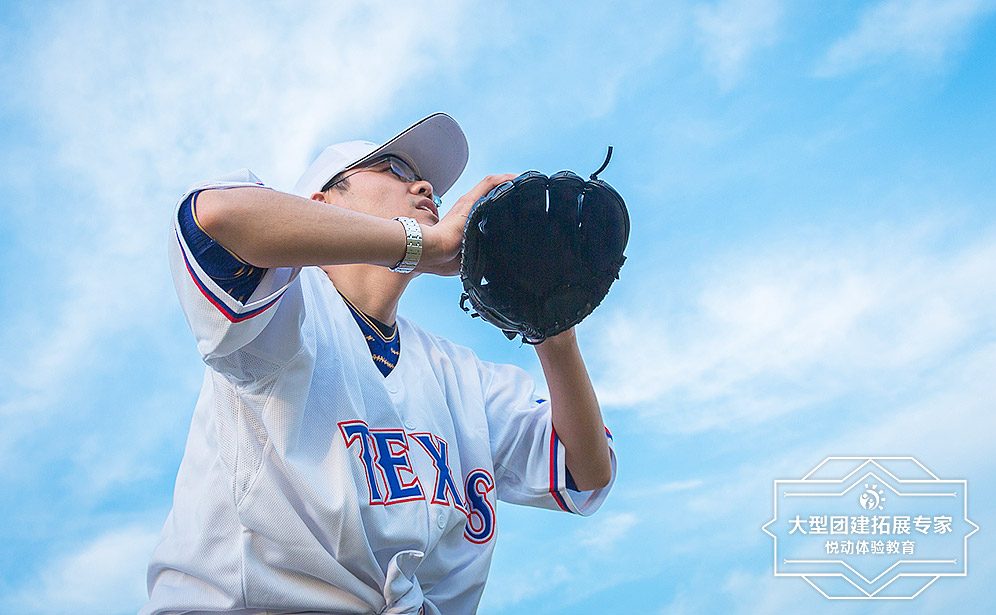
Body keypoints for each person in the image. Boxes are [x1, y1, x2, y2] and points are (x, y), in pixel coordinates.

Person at [143, 113, 616, 615]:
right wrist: (421, 245)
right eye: (391, 167)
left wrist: (551, 329)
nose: (425, 184)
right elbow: (212, 218)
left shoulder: (458, 374)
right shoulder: (284, 311)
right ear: (321, 202)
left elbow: (585, 470)